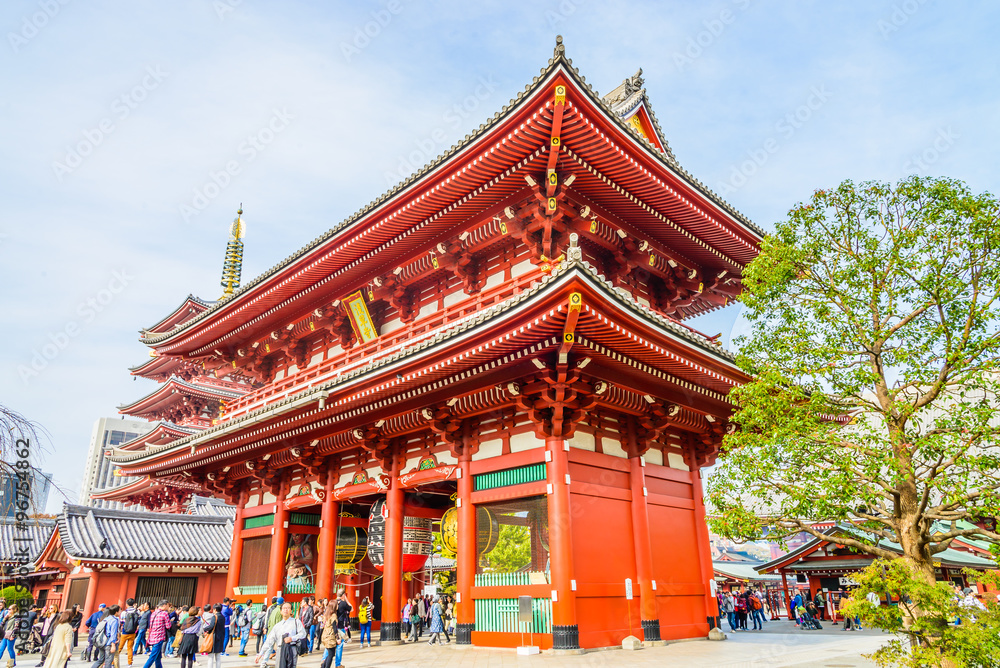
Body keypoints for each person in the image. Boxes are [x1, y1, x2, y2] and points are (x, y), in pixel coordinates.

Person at [255, 603, 305, 668]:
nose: (286, 610)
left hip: (292, 649)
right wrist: (261, 653)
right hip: (280, 649)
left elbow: (303, 634)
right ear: (281, 611)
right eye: (284, 608)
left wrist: (292, 638)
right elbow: (269, 641)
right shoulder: (277, 626)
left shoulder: (296, 622)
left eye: (288, 608)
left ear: (291, 611)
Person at [140, 600, 170, 668]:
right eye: (168, 605)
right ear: (164, 605)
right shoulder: (164, 613)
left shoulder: (153, 613)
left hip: (153, 636)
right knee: (153, 657)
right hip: (159, 637)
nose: (168, 607)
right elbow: (168, 626)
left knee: (158, 657)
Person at [318, 603, 342, 668]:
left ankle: (323, 666)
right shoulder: (333, 615)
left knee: (330, 653)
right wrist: (337, 638)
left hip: (325, 635)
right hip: (330, 636)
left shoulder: (326, 614)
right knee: (331, 654)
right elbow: (334, 628)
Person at [119, 599, 139, 668]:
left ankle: (113, 661)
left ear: (127, 604)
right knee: (130, 648)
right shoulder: (137, 611)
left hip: (125, 632)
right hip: (133, 632)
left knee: (119, 647)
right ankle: (129, 663)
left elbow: (121, 622)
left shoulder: (124, 612)